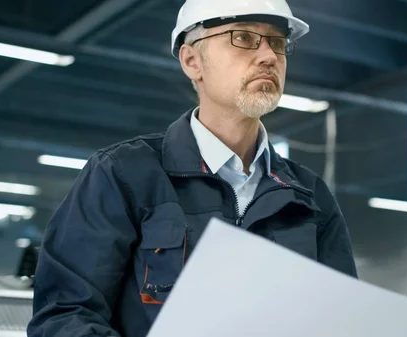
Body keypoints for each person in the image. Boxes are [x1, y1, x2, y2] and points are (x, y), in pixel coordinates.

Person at [27, 0, 358, 336]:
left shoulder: (309, 196)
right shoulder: (123, 175)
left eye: (277, 43)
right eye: (243, 37)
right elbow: (64, 316)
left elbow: (342, 322)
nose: (269, 56)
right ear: (192, 61)